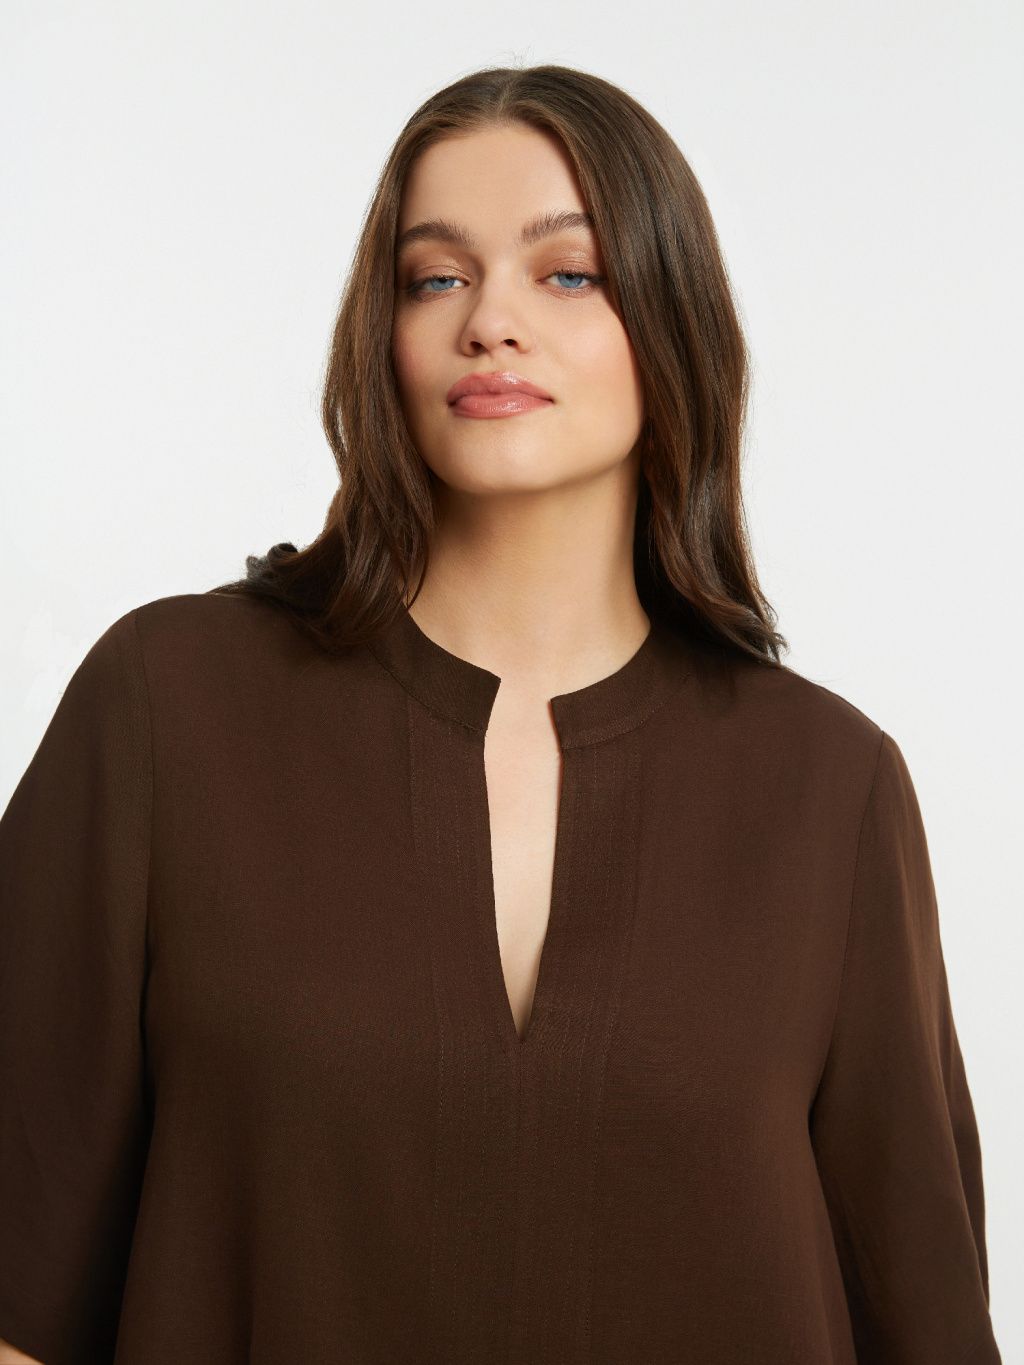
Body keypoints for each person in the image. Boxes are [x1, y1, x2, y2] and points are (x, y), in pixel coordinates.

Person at [0, 63, 1002, 1365]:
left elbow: (923, 1318)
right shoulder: (168, 705)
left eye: (566, 273)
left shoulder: (829, 785)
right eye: (436, 277)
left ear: (672, 321)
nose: (491, 322)